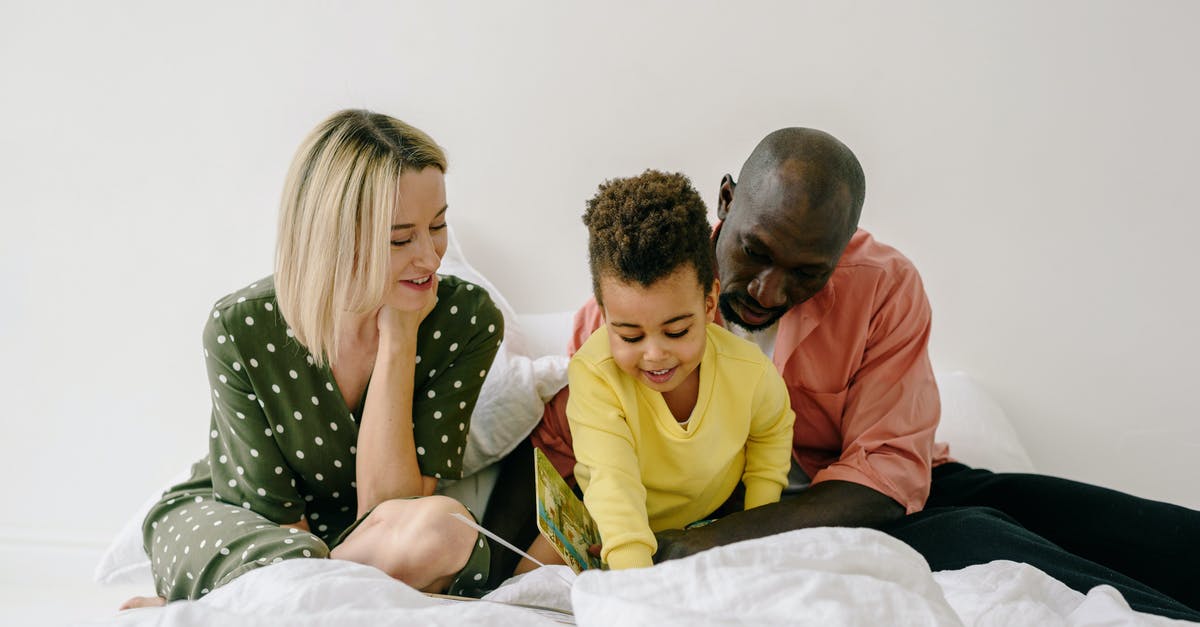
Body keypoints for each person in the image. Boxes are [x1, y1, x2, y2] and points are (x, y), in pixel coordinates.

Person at [503, 128, 1200, 621]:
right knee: (992, 537)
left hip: (859, 495)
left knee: (1049, 506)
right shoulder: (644, 307)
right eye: (755, 253)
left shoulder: (885, 286)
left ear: (844, 250)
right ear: (725, 200)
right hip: (722, 506)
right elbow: (564, 453)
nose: (770, 291)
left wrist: (712, 542)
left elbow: (890, 474)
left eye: (807, 273)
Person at [122, 109, 504, 608]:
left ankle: (225, 609)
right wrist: (317, 568)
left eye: (438, 225)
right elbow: (273, 516)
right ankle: (263, 595)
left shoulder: (466, 320)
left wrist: (400, 335)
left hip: (382, 534)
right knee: (285, 557)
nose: (430, 258)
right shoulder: (242, 328)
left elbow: (388, 510)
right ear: (334, 238)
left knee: (447, 530)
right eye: (399, 238)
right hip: (248, 529)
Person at [528, 170, 793, 571]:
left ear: (709, 305)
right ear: (604, 316)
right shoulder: (596, 373)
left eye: (676, 331)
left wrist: (753, 524)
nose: (654, 355)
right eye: (630, 336)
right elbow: (610, 483)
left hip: (708, 524)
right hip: (607, 522)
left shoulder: (750, 372)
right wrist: (633, 571)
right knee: (523, 587)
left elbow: (772, 434)